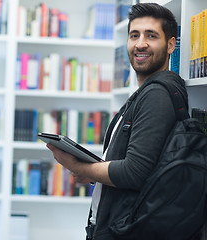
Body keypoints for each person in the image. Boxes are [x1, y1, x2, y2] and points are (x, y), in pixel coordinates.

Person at [46, 3, 189, 239]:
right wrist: (93, 174)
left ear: (171, 44)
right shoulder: (144, 92)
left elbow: (134, 172)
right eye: (135, 35)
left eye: (151, 36)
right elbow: (140, 166)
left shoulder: (157, 94)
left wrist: (77, 166)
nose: (140, 43)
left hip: (128, 230)